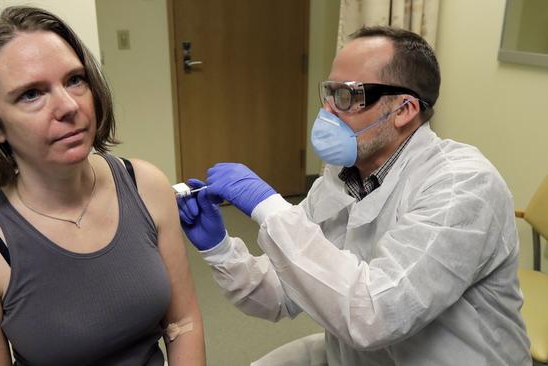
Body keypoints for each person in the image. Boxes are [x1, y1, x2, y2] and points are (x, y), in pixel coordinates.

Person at [178, 26, 530, 365]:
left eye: (347, 96)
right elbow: (283, 293)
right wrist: (221, 249)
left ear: (404, 110)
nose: (327, 110)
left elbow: (376, 315)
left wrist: (270, 209)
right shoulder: (342, 178)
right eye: (329, 92)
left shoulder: (462, 185)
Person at [0, 6, 205, 365]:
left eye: (75, 80)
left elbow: (183, 323)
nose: (69, 106)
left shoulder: (145, 185)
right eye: (32, 94)